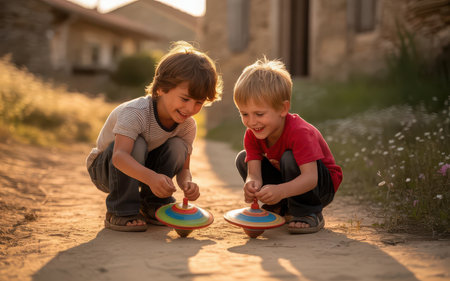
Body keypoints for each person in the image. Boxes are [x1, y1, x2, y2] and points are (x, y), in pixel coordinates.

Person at [86, 41, 223, 232]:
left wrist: (187, 183)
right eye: (185, 99)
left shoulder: (187, 125)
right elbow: (119, 157)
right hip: (106, 169)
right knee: (138, 144)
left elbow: (184, 168)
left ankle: (153, 205)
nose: (190, 109)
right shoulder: (136, 112)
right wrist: (151, 178)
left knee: (178, 147)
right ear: (161, 89)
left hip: (142, 170)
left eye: (198, 102)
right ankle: (121, 210)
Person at [233, 58, 342, 234]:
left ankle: (309, 212)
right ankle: (280, 206)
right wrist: (252, 185)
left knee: (289, 158)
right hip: (288, 181)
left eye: (259, 113)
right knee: (242, 158)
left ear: (283, 109)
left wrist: (281, 190)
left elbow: (310, 178)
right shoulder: (252, 134)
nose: (252, 122)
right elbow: (254, 173)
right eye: (244, 113)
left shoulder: (300, 132)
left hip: (319, 187)